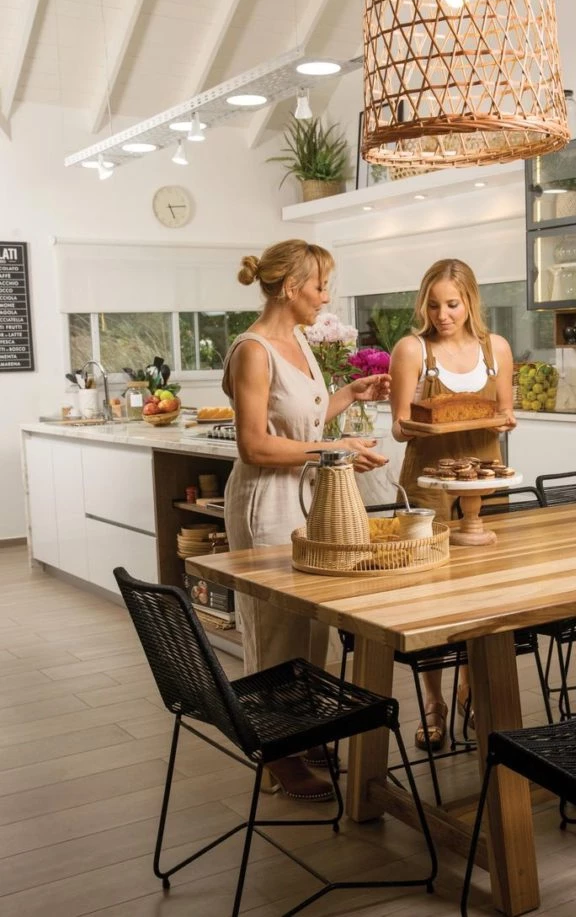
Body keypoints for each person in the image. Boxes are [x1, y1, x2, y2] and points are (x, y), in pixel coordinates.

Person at [222, 239, 390, 800]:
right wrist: (334, 450)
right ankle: (276, 752)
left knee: (312, 622)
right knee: (275, 628)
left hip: (306, 496)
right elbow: (254, 446)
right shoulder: (253, 350)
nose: (325, 297)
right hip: (265, 502)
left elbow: (303, 422)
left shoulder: (297, 341)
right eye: (320, 286)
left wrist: (349, 394)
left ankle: (300, 727)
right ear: (291, 287)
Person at [389, 258, 517, 751]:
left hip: (484, 483)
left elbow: (504, 411)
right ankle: (432, 702)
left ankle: (469, 688)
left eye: (452, 305)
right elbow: (400, 425)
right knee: (429, 603)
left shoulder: (495, 349)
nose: (442, 315)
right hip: (427, 487)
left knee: (483, 596)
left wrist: (505, 419)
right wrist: (428, 423)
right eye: (433, 305)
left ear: (470, 303)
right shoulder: (412, 350)